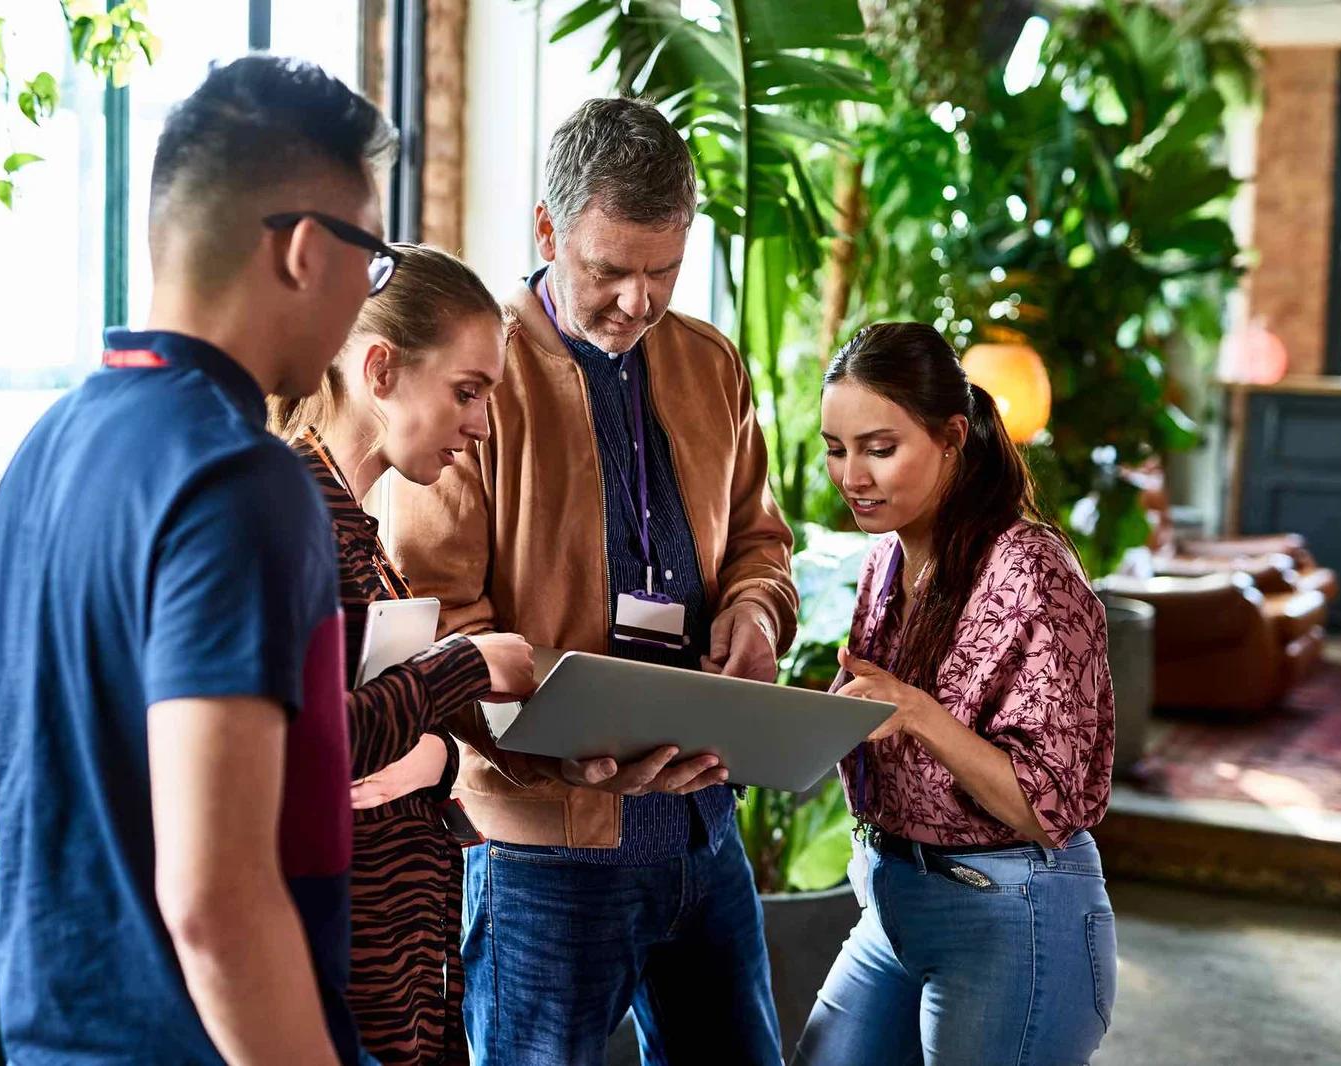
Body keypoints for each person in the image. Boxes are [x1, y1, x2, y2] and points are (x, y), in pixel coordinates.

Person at [0, 56, 400, 1065]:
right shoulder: (242, 482)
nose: (366, 294)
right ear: (302, 250)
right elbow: (217, 901)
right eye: (370, 256)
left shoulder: (38, 451)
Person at [389, 97, 797, 1066]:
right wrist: (549, 753)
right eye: (609, 269)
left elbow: (759, 541)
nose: (637, 301)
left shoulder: (709, 362)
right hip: (544, 851)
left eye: (662, 270)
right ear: (546, 230)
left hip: (701, 821)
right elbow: (437, 616)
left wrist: (752, 609)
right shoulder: (477, 376)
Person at [792, 322, 1117, 1066]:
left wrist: (917, 713)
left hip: (1013, 916)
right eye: (836, 449)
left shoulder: (1031, 570)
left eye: (880, 448)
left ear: (951, 438)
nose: (852, 476)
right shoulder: (885, 560)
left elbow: (1048, 807)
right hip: (893, 904)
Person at [269, 244, 534, 1066]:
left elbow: (388, 748)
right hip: (343, 998)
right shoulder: (290, 513)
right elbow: (311, 748)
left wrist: (436, 756)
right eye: (467, 392)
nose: (481, 425)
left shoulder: (359, 528)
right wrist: (470, 663)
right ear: (380, 370)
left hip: (408, 990)